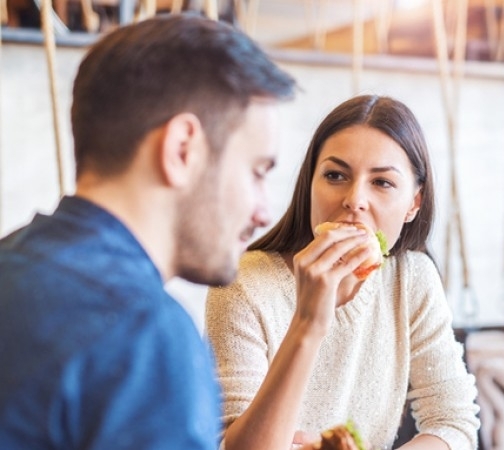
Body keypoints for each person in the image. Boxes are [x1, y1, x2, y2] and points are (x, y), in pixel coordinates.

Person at [0, 14, 295, 449]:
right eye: (256, 172)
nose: (264, 211)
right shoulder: (146, 335)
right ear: (182, 150)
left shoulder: (12, 263)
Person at [206, 95, 481, 450]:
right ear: (310, 185)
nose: (354, 200)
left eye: (382, 182)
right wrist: (308, 322)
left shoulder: (412, 278)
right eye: (335, 175)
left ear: (414, 203)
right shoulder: (242, 285)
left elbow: (454, 421)